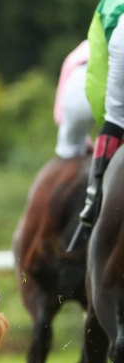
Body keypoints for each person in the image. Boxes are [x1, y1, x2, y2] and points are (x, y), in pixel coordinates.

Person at [72, 0, 124, 250]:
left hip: (120, 34)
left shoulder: (108, 6)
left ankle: (92, 202)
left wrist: (109, 118)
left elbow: (97, 84)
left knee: (115, 117)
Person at [56, 41, 94, 160]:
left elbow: (59, 116)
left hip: (79, 84)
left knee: (68, 149)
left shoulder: (77, 53)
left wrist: (83, 141)